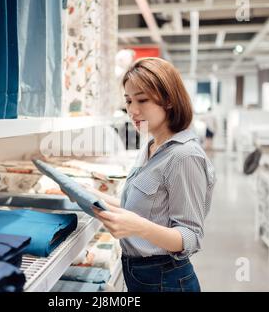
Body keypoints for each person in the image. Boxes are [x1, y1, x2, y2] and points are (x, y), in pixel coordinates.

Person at [77, 57, 216, 292]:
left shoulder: (184, 156)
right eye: (129, 100)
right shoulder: (151, 145)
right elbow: (140, 209)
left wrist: (138, 228)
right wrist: (89, 194)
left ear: (169, 100)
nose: (133, 110)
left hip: (165, 279)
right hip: (139, 274)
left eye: (142, 100)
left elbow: (190, 237)